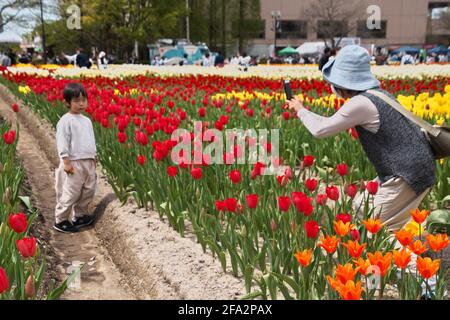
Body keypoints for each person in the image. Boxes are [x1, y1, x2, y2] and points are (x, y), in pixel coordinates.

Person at [288, 45, 436, 234]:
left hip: (406, 174)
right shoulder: (378, 94)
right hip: (415, 168)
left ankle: (412, 261)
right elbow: (328, 123)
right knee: (359, 208)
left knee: (374, 228)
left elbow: (320, 130)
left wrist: (300, 110)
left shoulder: (360, 103)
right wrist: (302, 109)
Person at [54, 82, 97, 233]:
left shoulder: (87, 120)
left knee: (88, 190)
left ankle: (79, 216)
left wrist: (93, 157)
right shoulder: (65, 121)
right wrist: (66, 161)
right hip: (74, 162)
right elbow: (62, 141)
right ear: (67, 102)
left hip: (88, 161)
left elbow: (89, 140)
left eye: (83, 100)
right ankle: (61, 219)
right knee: (71, 192)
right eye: (76, 101)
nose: (81, 104)